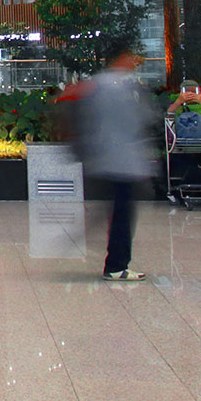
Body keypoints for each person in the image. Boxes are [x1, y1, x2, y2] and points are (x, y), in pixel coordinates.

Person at [78, 48, 157, 282]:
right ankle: (116, 266)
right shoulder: (124, 88)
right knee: (122, 215)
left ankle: (115, 263)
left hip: (105, 158)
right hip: (122, 161)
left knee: (117, 213)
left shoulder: (97, 84)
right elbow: (141, 118)